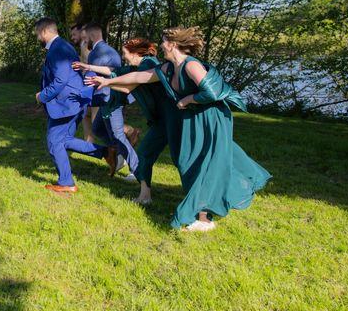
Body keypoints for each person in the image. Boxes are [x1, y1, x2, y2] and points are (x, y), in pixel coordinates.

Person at [86, 26, 271, 231]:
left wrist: (189, 99)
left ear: (173, 44)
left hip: (209, 119)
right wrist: (108, 81)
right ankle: (201, 212)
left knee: (204, 164)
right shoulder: (168, 68)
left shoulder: (191, 65)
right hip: (190, 118)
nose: (161, 45)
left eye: (164, 41)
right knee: (186, 162)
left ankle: (204, 219)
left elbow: (212, 92)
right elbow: (139, 78)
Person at [76, 38, 172, 204]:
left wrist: (106, 83)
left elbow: (128, 86)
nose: (123, 56)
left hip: (167, 117)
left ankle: (138, 178)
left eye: (125, 53)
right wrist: (89, 67)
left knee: (172, 157)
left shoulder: (148, 65)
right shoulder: (137, 64)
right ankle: (144, 195)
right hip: (158, 118)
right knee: (104, 131)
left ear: (135, 53)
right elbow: (115, 70)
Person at [34, 18, 116, 193]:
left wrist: (42, 96)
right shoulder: (62, 46)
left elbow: (60, 80)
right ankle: (106, 152)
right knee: (65, 141)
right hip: (73, 102)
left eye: (37, 34)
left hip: (67, 104)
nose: (37, 38)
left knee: (54, 142)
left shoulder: (58, 49)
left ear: (44, 32)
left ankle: (66, 183)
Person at [74, 24, 141, 180]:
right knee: (97, 129)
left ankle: (137, 170)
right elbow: (109, 71)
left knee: (117, 135)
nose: (83, 42)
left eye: (85, 38)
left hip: (110, 100)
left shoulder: (101, 52)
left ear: (91, 37)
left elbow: (112, 74)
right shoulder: (101, 51)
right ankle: (120, 152)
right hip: (106, 99)